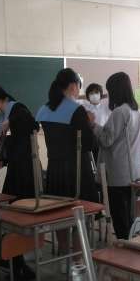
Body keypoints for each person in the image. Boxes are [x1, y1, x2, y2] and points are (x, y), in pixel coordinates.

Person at [0, 83, 39, 281]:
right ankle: (10, 257)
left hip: (26, 171)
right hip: (15, 169)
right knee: (8, 213)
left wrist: (10, 122)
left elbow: (33, 125)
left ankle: (17, 260)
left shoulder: (18, 109)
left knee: (18, 214)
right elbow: (8, 143)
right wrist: (2, 160)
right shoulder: (4, 116)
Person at [91, 72, 140, 239]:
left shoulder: (120, 112)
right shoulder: (135, 110)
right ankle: (131, 244)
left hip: (119, 173)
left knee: (119, 216)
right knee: (129, 214)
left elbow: (106, 139)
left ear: (116, 90)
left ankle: (125, 247)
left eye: (110, 90)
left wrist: (92, 125)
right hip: (132, 170)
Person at [36, 68, 97, 203]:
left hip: (54, 170)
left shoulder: (44, 109)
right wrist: (91, 124)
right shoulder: (76, 110)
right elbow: (89, 144)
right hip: (77, 172)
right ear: (73, 85)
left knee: (58, 209)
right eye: (79, 86)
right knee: (82, 210)